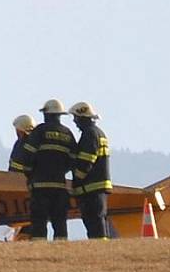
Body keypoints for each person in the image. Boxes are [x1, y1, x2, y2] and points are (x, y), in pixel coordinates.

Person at [18, 99, 77, 239]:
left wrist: (30, 174)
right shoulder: (68, 134)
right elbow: (74, 160)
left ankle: (39, 251)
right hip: (59, 186)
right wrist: (61, 171)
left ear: (46, 114)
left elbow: (27, 156)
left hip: (39, 186)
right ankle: (60, 251)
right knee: (60, 223)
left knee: (39, 222)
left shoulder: (39, 131)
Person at [69, 101, 112, 239]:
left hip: (91, 189)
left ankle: (101, 249)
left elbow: (86, 161)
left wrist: (77, 179)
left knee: (94, 222)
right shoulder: (98, 133)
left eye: (75, 118)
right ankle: (102, 247)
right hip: (97, 187)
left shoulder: (90, 134)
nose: (74, 121)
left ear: (82, 117)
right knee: (98, 221)